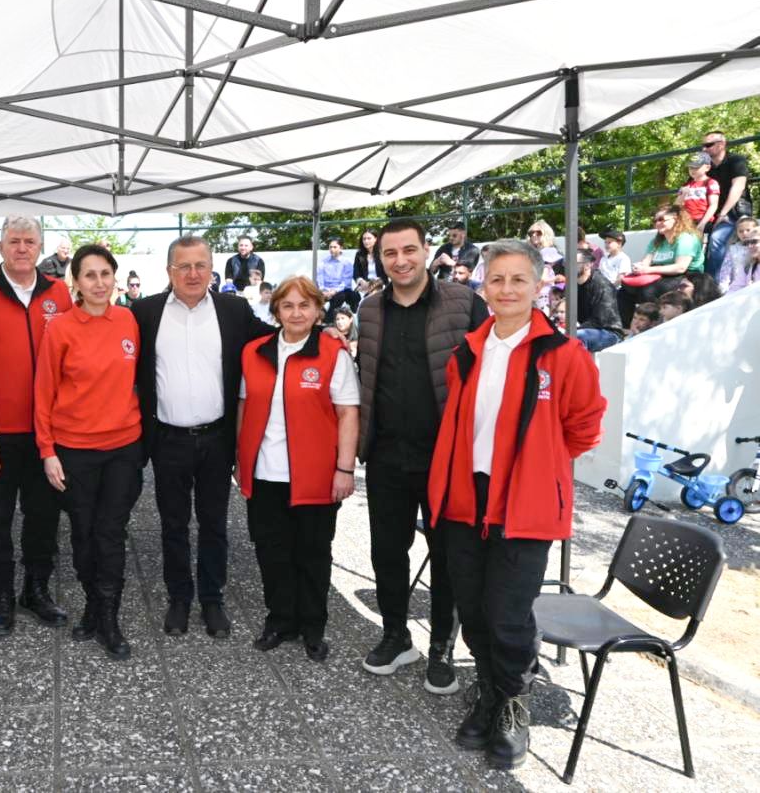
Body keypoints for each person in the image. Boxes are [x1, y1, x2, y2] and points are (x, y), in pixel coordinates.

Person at [428, 239, 604, 770]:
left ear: (539, 285)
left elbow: (583, 428)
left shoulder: (564, 355)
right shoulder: (468, 350)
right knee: (473, 609)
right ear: (484, 285)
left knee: (508, 615)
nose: (506, 289)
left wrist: (538, 467)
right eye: (497, 279)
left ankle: (512, 706)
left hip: (525, 503)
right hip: (466, 497)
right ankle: (488, 692)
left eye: (518, 279)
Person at [356, 218, 488, 694]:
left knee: (448, 556)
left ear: (426, 250)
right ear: (380, 259)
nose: (401, 260)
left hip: (446, 459)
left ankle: (441, 648)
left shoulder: (465, 302)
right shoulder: (370, 309)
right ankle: (396, 635)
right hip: (387, 455)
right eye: (390, 253)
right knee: (387, 552)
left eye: (408, 250)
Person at [132, 235, 276, 639]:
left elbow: (277, 339)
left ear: (212, 269)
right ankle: (179, 598)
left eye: (201, 265)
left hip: (217, 438)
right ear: (169, 271)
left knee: (214, 523)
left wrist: (323, 336)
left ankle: (212, 599)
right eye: (184, 266)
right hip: (167, 439)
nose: (193, 274)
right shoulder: (144, 312)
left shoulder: (234, 310)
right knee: (173, 523)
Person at [236, 275, 359, 662]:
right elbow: (244, 407)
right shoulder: (254, 351)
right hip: (265, 474)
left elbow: (348, 414)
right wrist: (241, 459)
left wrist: (345, 469)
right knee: (272, 553)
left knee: (313, 554)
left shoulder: (333, 353)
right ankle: (280, 620)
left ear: (318, 310)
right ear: (275, 311)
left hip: (316, 475)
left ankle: (313, 626)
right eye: (287, 305)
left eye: (305, 305)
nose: (296, 313)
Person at [35, 245, 143, 660]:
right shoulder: (60, 328)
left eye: (105, 274)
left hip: (123, 448)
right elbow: (44, 391)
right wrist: (47, 450)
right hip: (74, 449)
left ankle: (108, 617)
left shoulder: (128, 320)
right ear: (75, 282)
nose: (99, 283)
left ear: (115, 277)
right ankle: (92, 606)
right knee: (83, 533)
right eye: (90, 275)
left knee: (110, 532)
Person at [0, 216, 74, 634]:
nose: (22, 248)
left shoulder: (58, 291)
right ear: (0, 247)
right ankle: (2, 595)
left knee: (43, 516)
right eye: (14, 241)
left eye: (30, 241)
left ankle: (36, 589)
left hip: (47, 430)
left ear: (40, 247)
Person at [617, 204, 704, 327]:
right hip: (661, 274)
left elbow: (681, 267)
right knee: (624, 291)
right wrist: (639, 267)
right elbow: (645, 262)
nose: (657, 223)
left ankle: (653, 326)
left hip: (688, 275)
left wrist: (647, 269)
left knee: (648, 291)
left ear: (676, 219)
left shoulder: (686, 238)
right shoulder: (657, 241)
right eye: (655, 220)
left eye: (661, 219)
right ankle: (627, 327)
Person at [703, 130, 753, 276]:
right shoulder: (705, 167)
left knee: (716, 239)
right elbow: (692, 186)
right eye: (703, 145)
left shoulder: (736, 160)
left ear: (721, 144)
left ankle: (712, 283)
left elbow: (738, 187)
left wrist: (722, 214)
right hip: (712, 213)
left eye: (708, 145)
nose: (704, 149)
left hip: (735, 212)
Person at [572, 250, 625, 352]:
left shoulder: (602, 285)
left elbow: (600, 320)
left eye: (574, 263)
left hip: (609, 332)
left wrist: (574, 329)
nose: (568, 266)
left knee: (578, 336)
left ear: (587, 265)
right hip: (587, 328)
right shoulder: (573, 284)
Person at [678, 151, 720, 234]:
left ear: (707, 167)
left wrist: (703, 223)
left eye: (696, 167)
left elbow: (713, 205)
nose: (692, 170)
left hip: (703, 221)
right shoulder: (686, 185)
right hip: (687, 222)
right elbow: (677, 205)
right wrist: (682, 196)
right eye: (690, 167)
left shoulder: (711, 182)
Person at [717, 216, 760, 294]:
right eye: (741, 231)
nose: (744, 233)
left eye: (748, 230)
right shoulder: (733, 249)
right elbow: (726, 271)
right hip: (738, 287)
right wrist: (724, 288)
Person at [317, 237, 358, 315]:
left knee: (341, 296)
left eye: (335, 247)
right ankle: (321, 316)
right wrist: (323, 290)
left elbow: (346, 282)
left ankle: (329, 318)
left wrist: (334, 291)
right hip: (325, 291)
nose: (332, 249)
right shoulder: (323, 262)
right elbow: (319, 278)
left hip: (341, 290)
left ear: (341, 248)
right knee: (313, 297)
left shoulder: (347, 262)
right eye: (330, 247)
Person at [353, 229, 384, 296]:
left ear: (376, 239)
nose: (366, 241)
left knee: (373, 294)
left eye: (369, 238)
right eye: (364, 239)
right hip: (364, 284)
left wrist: (373, 283)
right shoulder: (359, 254)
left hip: (380, 284)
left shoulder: (383, 253)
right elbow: (356, 273)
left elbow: (386, 274)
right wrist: (361, 280)